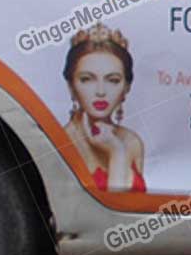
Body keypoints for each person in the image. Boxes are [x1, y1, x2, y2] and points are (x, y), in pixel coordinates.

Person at [62, 22, 146, 193]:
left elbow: (130, 210)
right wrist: (117, 154)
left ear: (126, 87)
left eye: (112, 80)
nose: (100, 92)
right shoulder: (62, 144)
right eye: (87, 79)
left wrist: (117, 150)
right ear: (71, 86)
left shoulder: (131, 142)